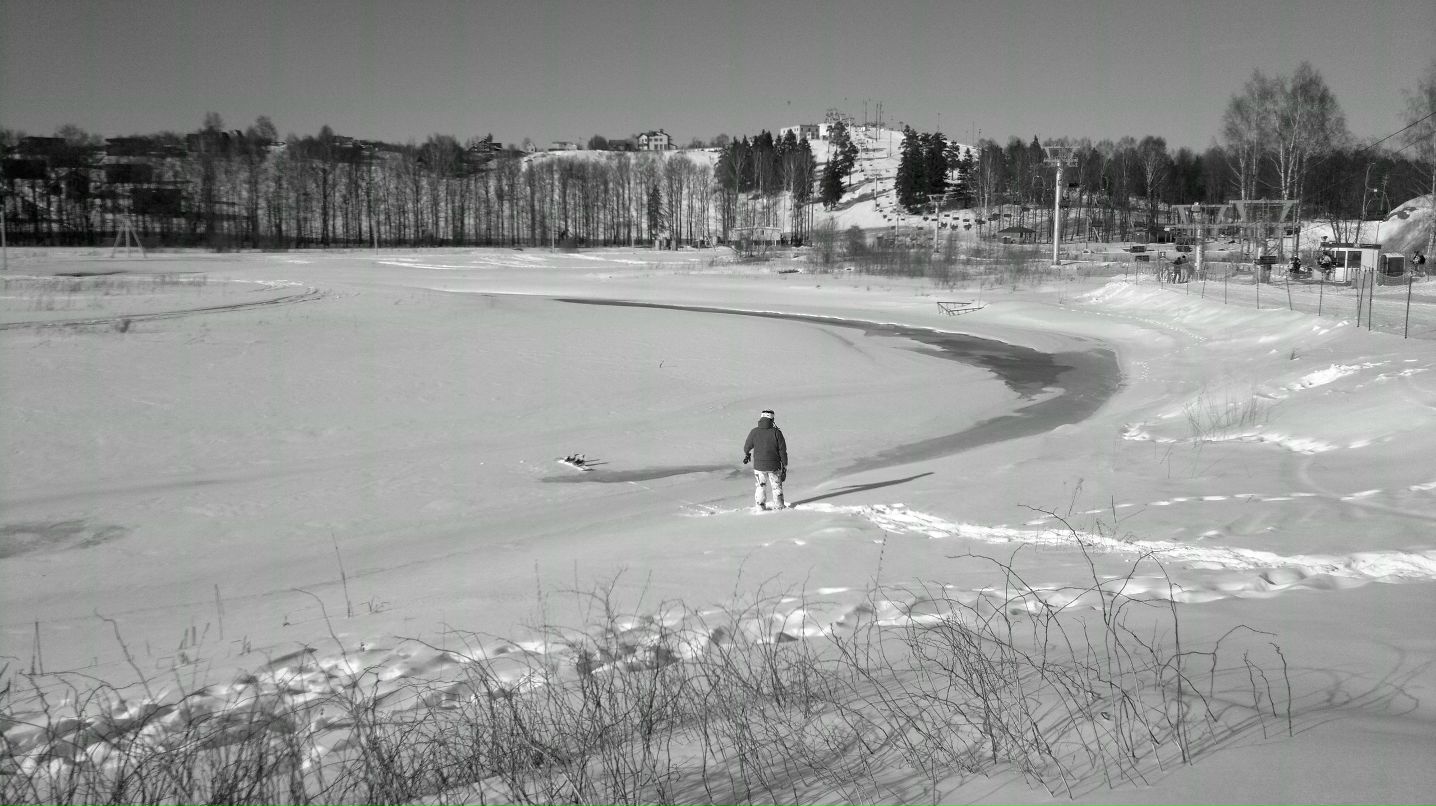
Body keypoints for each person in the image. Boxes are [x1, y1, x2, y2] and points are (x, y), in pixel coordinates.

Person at [742, 409, 788, 511]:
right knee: (776, 487)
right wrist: (784, 464)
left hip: (759, 466)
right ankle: (780, 507)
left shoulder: (754, 432)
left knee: (760, 486)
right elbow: (782, 450)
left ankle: (760, 507)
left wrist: (747, 453)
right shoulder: (777, 432)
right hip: (774, 466)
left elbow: (747, 447)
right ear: (772, 419)